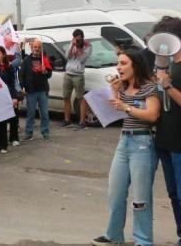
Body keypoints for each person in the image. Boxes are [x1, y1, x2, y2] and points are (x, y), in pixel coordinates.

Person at [91, 49, 159, 246]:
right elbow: (117, 110)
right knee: (115, 192)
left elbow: (153, 115)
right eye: (118, 63)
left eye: (123, 63)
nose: (118, 67)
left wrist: (126, 107)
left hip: (142, 145)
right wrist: (114, 93)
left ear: (135, 65)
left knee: (140, 197)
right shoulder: (122, 87)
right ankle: (113, 235)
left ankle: (143, 241)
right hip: (124, 142)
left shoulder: (149, 88)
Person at [151, 17, 181, 246]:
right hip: (164, 140)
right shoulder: (168, 64)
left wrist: (168, 86)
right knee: (173, 194)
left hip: (179, 143)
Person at [19, 39, 53, 141]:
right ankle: (29, 133)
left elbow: (49, 74)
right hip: (31, 90)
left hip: (43, 90)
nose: (37, 49)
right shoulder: (27, 60)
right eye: (35, 47)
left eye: (38, 47)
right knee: (30, 113)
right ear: (32, 47)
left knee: (45, 113)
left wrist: (45, 71)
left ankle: (45, 132)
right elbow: (21, 75)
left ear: (40, 48)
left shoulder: (44, 59)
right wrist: (22, 87)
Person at [63, 28, 92, 129]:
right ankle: (67, 120)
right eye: (76, 39)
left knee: (80, 98)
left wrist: (80, 47)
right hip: (68, 73)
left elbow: (82, 59)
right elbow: (67, 56)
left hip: (78, 75)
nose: (78, 41)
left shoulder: (88, 46)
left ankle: (82, 122)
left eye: (79, 39)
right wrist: (72, 45)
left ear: (82, 38)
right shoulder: (72, 44)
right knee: (66, 97)